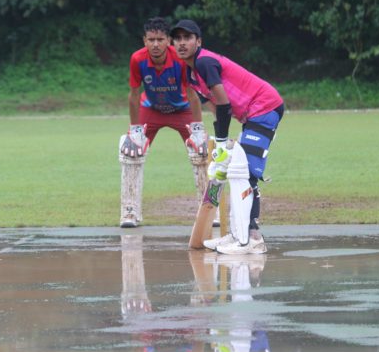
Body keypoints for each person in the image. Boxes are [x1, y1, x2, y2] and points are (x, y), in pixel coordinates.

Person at [171, 20, 284, 255]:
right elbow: (215, 107)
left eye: (187, 38)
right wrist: (221, 146)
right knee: (241, 171)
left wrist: (221, 144)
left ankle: (247, 240)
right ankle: (244, 235)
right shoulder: (190, 74)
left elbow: (224, 105)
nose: (182, 43)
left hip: (264, 107)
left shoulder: (204, 62)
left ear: (198, 42)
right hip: (250, 116)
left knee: (246, 172)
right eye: (178, 39)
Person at [119, 17, 210, 228]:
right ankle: (130, 213)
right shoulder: (137, 59)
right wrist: (134, 130)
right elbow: (134, 95)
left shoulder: (180, 59)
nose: (156, 45)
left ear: (169, 40)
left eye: (160, 39)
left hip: (182, 109)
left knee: (202, 151)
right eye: (151, 40)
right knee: (131, 151)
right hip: (151, 109)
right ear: (144, 40)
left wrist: (197, 129)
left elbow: (192, 93)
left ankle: (209, 212)